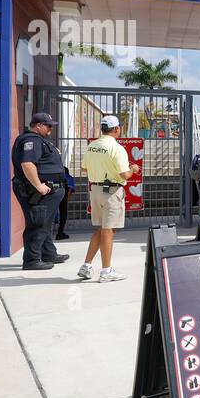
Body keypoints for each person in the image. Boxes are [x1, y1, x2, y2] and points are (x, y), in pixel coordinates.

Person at [77, 114, 138, 283]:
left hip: (95, 189)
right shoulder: (116, 148)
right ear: (117, 129)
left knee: (100, 229)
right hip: (111, 191)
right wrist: (133, 169)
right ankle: (106, 271)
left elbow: (84, 169)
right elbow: (124, 174)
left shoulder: (92, 145)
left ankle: (87, 265)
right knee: (108, 230)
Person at [10, 111, 69, 270]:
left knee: (45, 222)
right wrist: (38, 186)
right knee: (38, 223)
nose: (51, 129)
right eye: (48, 126)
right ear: (38, 125)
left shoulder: (39, 140)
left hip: (49, 190)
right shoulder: (31, 140)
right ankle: (32, 260)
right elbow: (27, 164)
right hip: (37, 192)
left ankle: (48, 253)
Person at [56, 165, 74, 240]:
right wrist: (67, 199)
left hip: (53, 196)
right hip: (63, 196)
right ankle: (60, 233)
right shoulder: (69, 177)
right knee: (63, 214)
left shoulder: (56, 176)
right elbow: (70, 189)